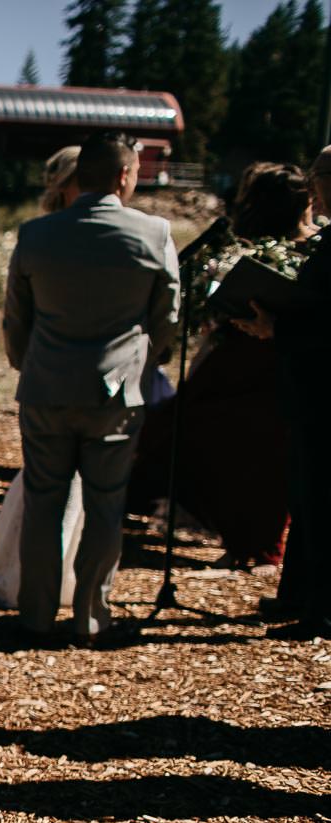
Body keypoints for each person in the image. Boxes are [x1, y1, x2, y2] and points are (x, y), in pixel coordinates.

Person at [3, 131, 182, 645]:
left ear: (79, 178)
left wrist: (25, 365)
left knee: (44, 502)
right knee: (106, 504)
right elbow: (166, 316)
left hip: (45, 387)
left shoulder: (36, 235)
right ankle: (90, 617)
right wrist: (149, 362)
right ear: (126, 176)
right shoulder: (154, 234)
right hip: (116, 393)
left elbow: (17, 317)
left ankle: (35, 615)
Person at [131, 161, 314, 570]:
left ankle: (260, 542)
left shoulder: (317, 247)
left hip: (276, 360)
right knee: (219, 441)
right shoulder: (241, 248)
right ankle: (240, 535)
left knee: (262, 451)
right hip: (240, 356)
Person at [234, 145, 331, 639]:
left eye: (318, 175)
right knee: (305, 495)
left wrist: (278, 328)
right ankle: (297, 597)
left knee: (320, 502)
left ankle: (320, 612)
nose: (311, 185)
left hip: (325, 395)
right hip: (308, 390)